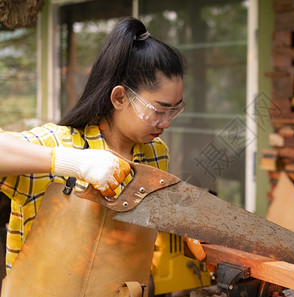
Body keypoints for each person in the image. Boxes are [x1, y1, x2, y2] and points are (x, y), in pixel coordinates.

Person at [0, 16, 185, 279]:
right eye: (158, 110)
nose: (166, 122)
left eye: (175, 110)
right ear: (120, 97)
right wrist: (74, 163)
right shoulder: (61, 142)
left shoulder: (156, 153)